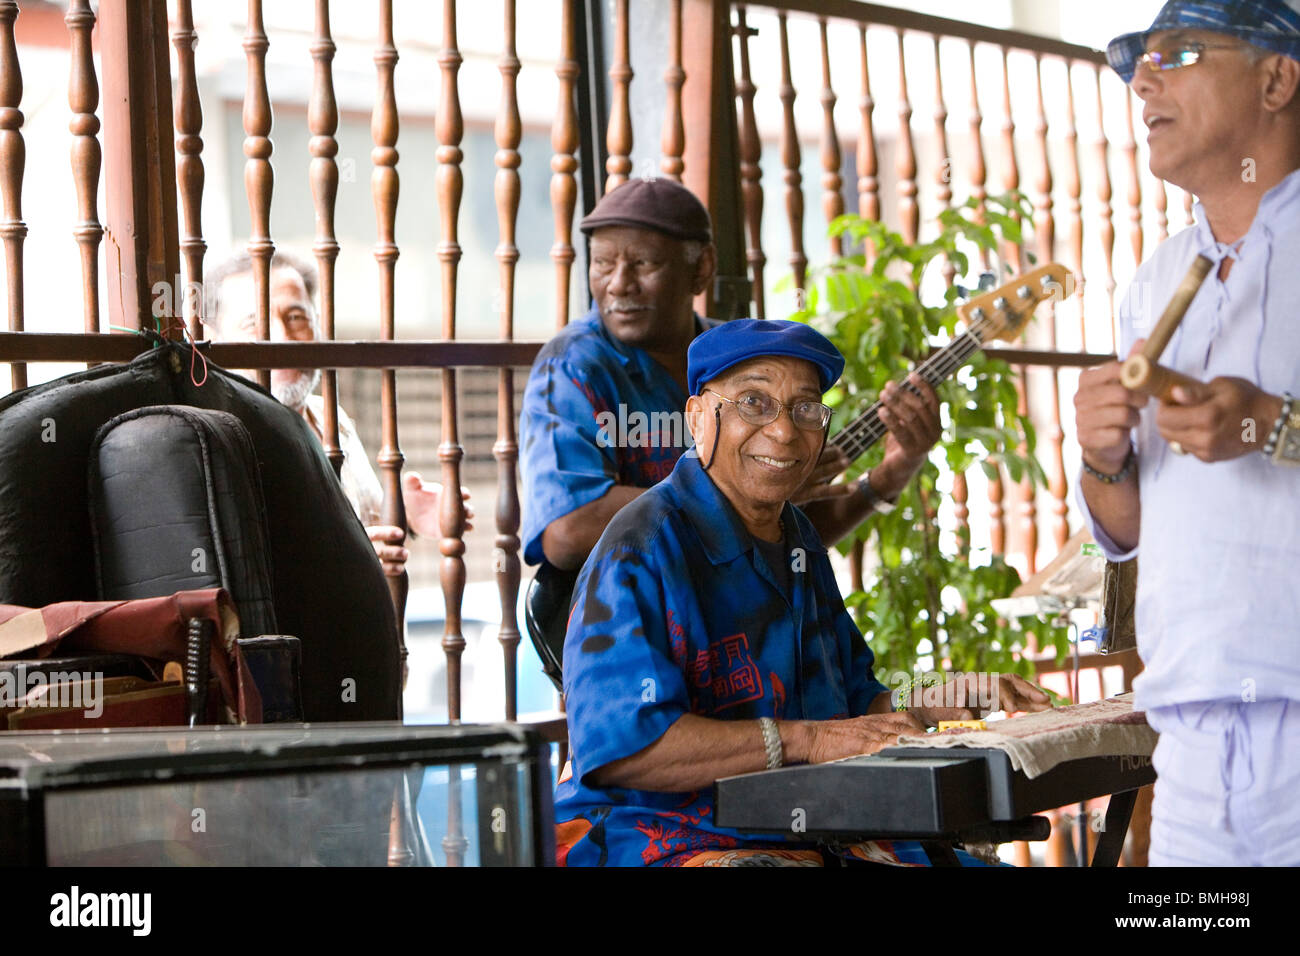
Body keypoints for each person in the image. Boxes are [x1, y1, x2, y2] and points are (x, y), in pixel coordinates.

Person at [555, 319, 1050, 866]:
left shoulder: (796, 536)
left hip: (799, 829)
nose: (786, 432)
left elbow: (856, 703)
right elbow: (627, 748)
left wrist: (939, 698)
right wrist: (806, 742)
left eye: (806, 408)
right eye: (753, 402)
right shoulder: (642, 546)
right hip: (659, 838)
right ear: (699, 419)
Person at [1076, 0, 1300, 865]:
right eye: (1140, 61)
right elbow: (1128, 531)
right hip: (1194, 734)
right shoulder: (1159, 276)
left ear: (1279, 78)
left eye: (1181, 53)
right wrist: (1104, 459)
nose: (1143, 79)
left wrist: (1269, 421)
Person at [520, 177, 941, 577]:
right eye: (603, 263)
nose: (618, 284)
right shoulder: (573, 366)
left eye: (643, 263)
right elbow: (567, 530)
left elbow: (780, 539)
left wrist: (892, 473)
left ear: (701, 268)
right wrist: (740, 495)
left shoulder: (742, 361)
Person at [203, 250, 470, 577]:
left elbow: (365, 531)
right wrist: (347, 563)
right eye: (254, 323)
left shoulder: (331, 418)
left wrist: (405, 515)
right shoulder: (219, 437)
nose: (283, 338)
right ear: (214, 340)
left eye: (297, 317)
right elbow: (236, 573)